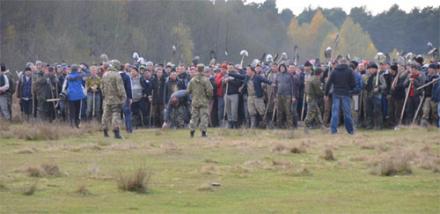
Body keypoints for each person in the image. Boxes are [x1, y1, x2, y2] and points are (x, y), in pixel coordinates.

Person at [325, 59, 355, 134]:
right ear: (346, 63)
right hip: (346, 93)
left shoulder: (334, 71)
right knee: (347, 113)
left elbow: (328, 83)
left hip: (336, 93)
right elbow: (353, 84)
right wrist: (349, 88)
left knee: (335, 112)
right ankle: (350, 130)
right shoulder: (349, 71)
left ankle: (333, 130)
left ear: (339, 63)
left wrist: (326, 94)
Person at [101, 60, 126, 139]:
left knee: (106, 114)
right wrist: (123, 97)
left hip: (107, 98)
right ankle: (116, 132)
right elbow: (120, 88)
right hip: (116, 99)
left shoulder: (105, 74)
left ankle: (105, 131)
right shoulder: (117, 75)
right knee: (116, 114)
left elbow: (102, 87)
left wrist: (105, 95)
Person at [187, 64, 213, 137]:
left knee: (194, 117)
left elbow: (188, 90)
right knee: (204, 117)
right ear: (203, 69)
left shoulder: (192, 80)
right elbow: (210, 91)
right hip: (204, 101)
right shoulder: (206, 80)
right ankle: (203, 132)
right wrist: (208, 97)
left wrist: (194, 95)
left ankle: (192, 132)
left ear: (197, 69)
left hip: (195, 101)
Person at [363, 62, 387, 129]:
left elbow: (384, 85)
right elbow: (364, 85)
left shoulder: (379, 76)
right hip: (368, 95)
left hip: (376, 95)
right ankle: (369, 125)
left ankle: (378, 125)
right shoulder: (367, 76)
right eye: (370, 69)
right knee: (368, 111)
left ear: (376, 69)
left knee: (377, 111)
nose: (371, 70)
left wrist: (378, 87)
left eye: (372, 68)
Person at [274, 64, 296, 128]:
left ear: (285, 68)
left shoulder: (289, 75)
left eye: (283, 67)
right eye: (280, 68)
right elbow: (275, 87)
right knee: (279, 111)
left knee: (288, 111)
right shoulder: (278, 75)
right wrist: (275, 96)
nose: (282, 68)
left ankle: (290, 125)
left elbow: (293, 86)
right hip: (279, 95)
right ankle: (279, 125)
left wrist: (293, 96)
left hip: (288, 95)